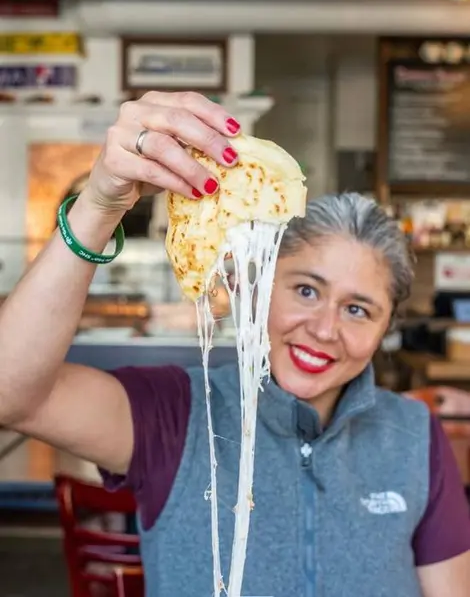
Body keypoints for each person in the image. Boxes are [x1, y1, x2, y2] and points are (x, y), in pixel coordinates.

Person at [0, 91, 468, 597]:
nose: (325, 328)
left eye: (358, 309)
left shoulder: (415, 436)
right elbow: (11, 393)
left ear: (385, 329)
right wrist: (98, 205)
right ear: (261, 283)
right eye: (306, 290)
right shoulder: (175, 415)